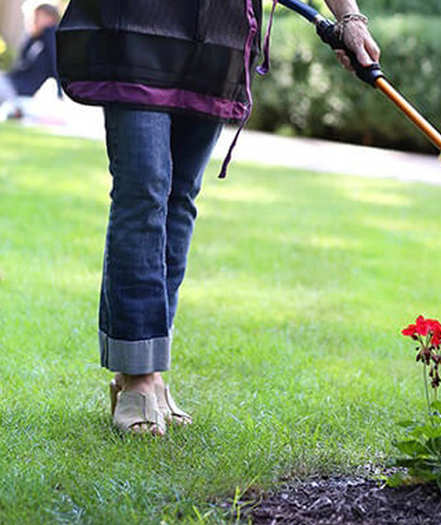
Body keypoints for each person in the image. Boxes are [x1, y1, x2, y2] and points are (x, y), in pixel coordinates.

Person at [56, 0, 380, 435]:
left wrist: (349, 20)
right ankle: (138, 376)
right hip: (138, 26)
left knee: (178, 199)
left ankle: (147, 370)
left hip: (216, 39)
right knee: (143, 191)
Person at [0, 3, 61, 117]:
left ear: (50, 19)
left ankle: (15, 109)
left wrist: (50, 29)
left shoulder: (51, 36)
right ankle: (14, 109)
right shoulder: (33, 40)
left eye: (37, 17)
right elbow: (21, 64)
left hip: (23, 89)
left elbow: (55, 63)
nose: (31, 21)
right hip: (13, 84)